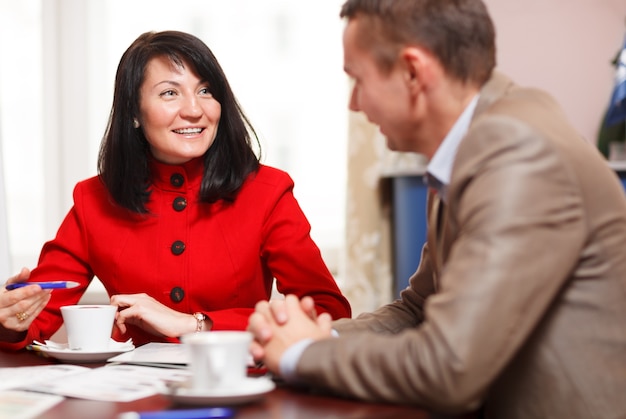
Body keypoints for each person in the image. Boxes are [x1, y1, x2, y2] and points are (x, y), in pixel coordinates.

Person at [247, 1, 626, 418]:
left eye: (357, 79)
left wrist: (304, 354)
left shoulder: (514, 148)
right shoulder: (469, 143)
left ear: (413, 72)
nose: (354, 103)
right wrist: (315, 336)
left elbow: (450, 367)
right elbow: (418, 309)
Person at [0, 30, 351, 349]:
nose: (194, 110)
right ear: (134, 112)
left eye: (205, 91)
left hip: (240, 390)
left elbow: (327, 314)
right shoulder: (93, 199)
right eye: (170, 93)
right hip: (130, 396)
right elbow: (35, 320)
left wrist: (194, 324)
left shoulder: (268, 191)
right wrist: (12, 317)